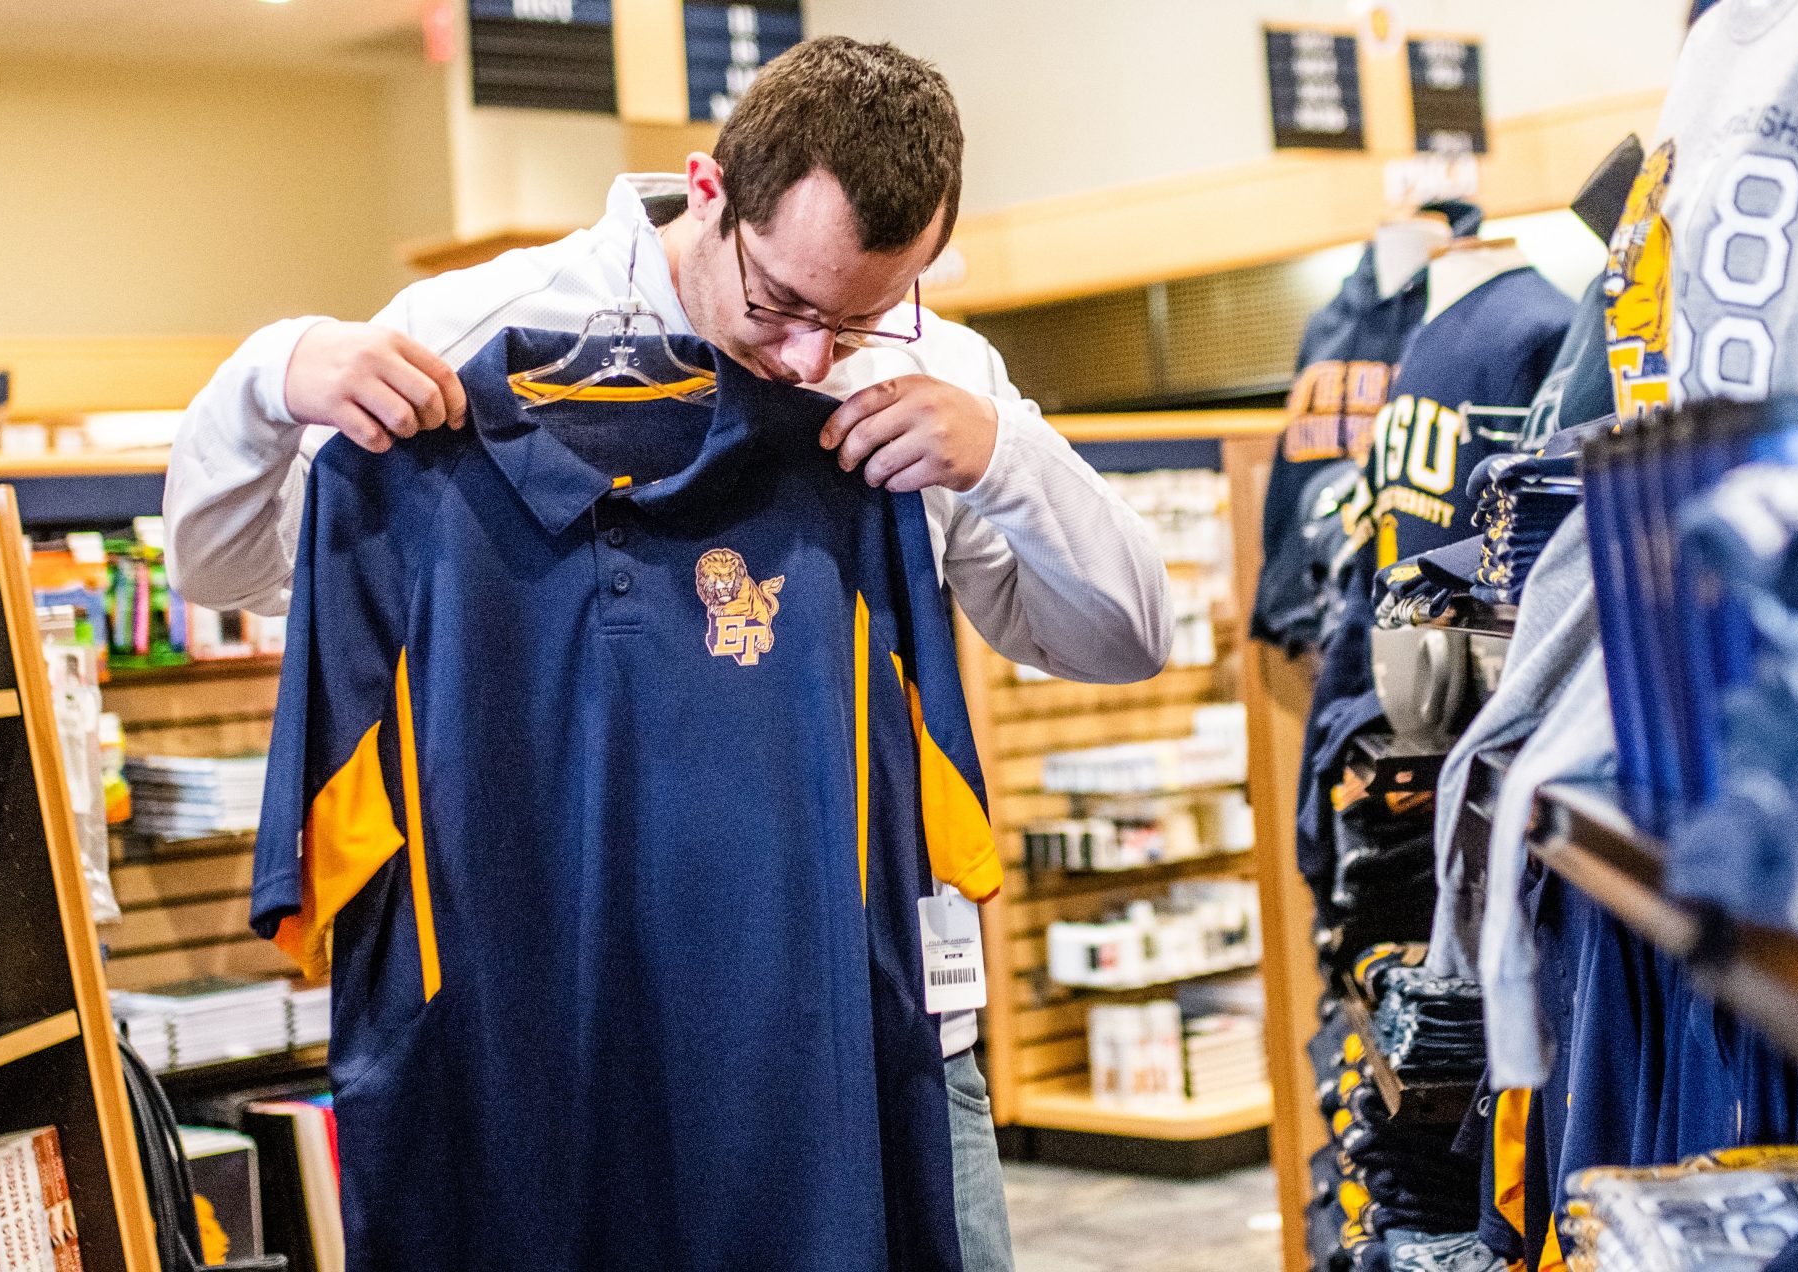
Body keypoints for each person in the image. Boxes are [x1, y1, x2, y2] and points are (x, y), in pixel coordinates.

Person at [162, 36, 1172, 1272]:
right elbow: (224, 576)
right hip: (537, 1071)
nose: (812, 359)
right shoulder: (454, 335)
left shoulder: (930, 380)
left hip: (848, 1054)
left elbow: (1127, 638)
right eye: (786, 306)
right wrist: (270, 378)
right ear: (708, 189)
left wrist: (1005, 457)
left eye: (863, 317)